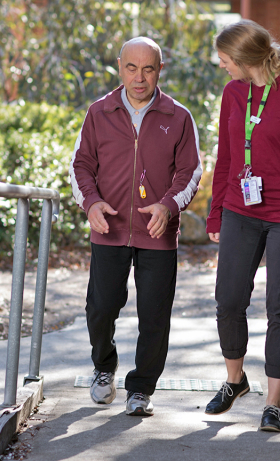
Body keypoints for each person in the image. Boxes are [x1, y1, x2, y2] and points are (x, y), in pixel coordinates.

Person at [69, 37, 202, 416]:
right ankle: (103, 367)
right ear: (119, 67)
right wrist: (91, 203)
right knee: (101, 307)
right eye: (131, 67)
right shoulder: (99, 112)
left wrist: (169, 205)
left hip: (158, 233)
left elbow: (190, 170)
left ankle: (141, 389)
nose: (139, 77)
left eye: (148, 68)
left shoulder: (179, 117)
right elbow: (81, 165)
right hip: (109, 229)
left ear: (160, 69)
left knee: (154, 315)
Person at [203, 20, 280, 432]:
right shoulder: (233, 92)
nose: (221, 66)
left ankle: (272, 405)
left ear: (242, 59)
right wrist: (215, 210)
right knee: (229, 300)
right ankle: (235, 381)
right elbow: (227, 157)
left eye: (224, 60)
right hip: (241, 208)